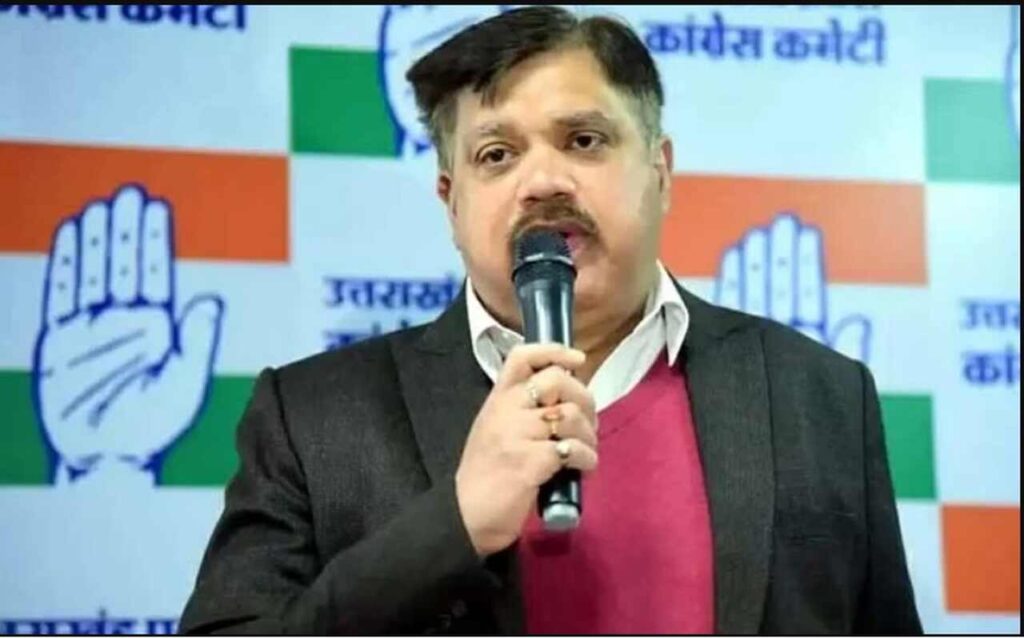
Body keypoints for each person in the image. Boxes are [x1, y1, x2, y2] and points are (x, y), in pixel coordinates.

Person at [179, 6, 922, 634]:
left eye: (583, 141)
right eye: (497, 154)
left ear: (660, 171)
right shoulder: (314, 419)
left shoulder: (819, 394)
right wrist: (454, 525)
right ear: (451, 201)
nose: (541, 181)